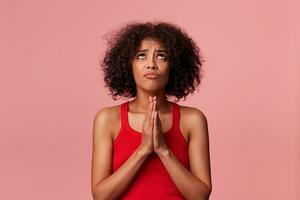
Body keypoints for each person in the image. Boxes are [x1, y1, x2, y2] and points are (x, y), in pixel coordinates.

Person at [91, 21, 212, 200]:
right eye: (141, 56)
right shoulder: (107, 119)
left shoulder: (192, 120)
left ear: (174, 66)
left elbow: (200, 196)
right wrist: (143, 150)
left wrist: (163, 149)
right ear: (128, 65)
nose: (151, 64)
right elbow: (101, 196)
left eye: (161, 56)